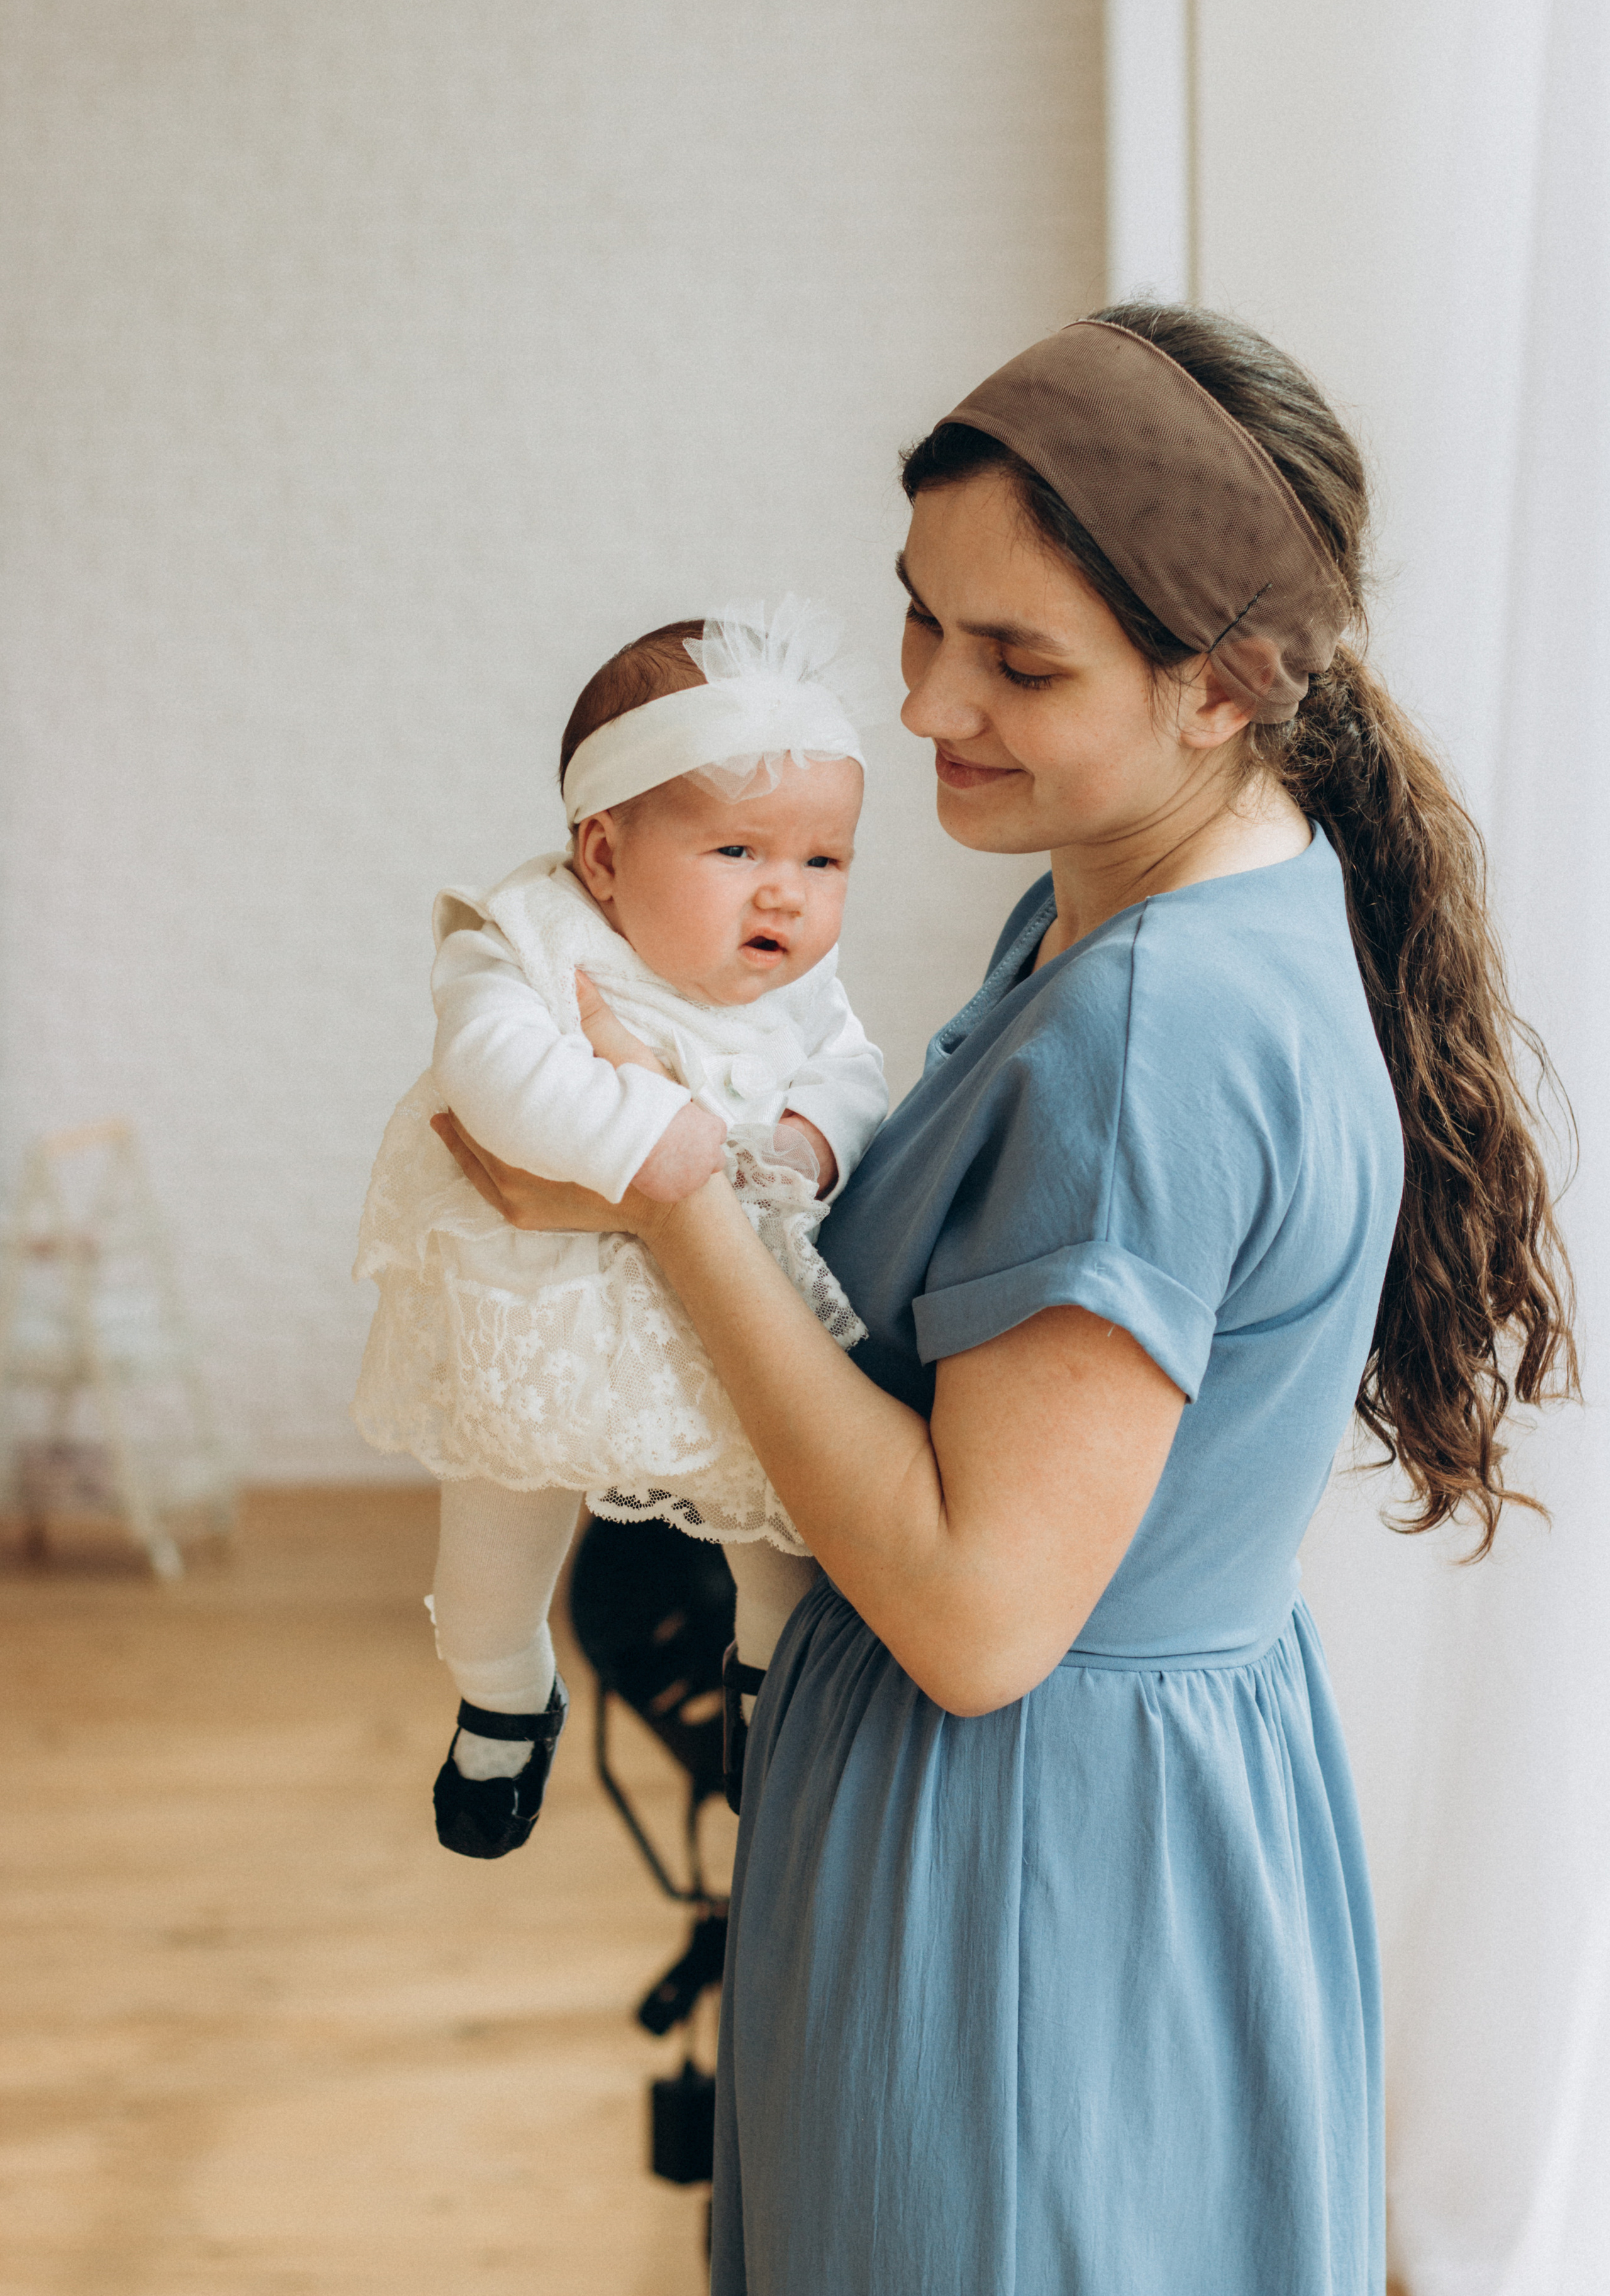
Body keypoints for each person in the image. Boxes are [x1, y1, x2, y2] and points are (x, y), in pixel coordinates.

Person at [433, 308, 1577, 2293]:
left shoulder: (1150, 1032)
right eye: (920, 616)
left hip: (1022, 1875)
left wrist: (670, 1194)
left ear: (1227, 683)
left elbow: (976, 1618)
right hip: (1140, 1824)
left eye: (1019, 662)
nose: (926, 702)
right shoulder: (1165, 889)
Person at [352, 599, 887, 1860]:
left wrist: (806, 1140)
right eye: (738, 850)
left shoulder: (802, 988)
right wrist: (650, 1140)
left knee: (775, 1536)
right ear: (602, 854)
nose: (788, 892)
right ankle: (502, 1694)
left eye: (825, 861)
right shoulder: (528, 943)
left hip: (726, 1321)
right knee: (493, 1550)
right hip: (537, 1315)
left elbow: (855, 1073)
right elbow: (492, 1074)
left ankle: (766, 1700)